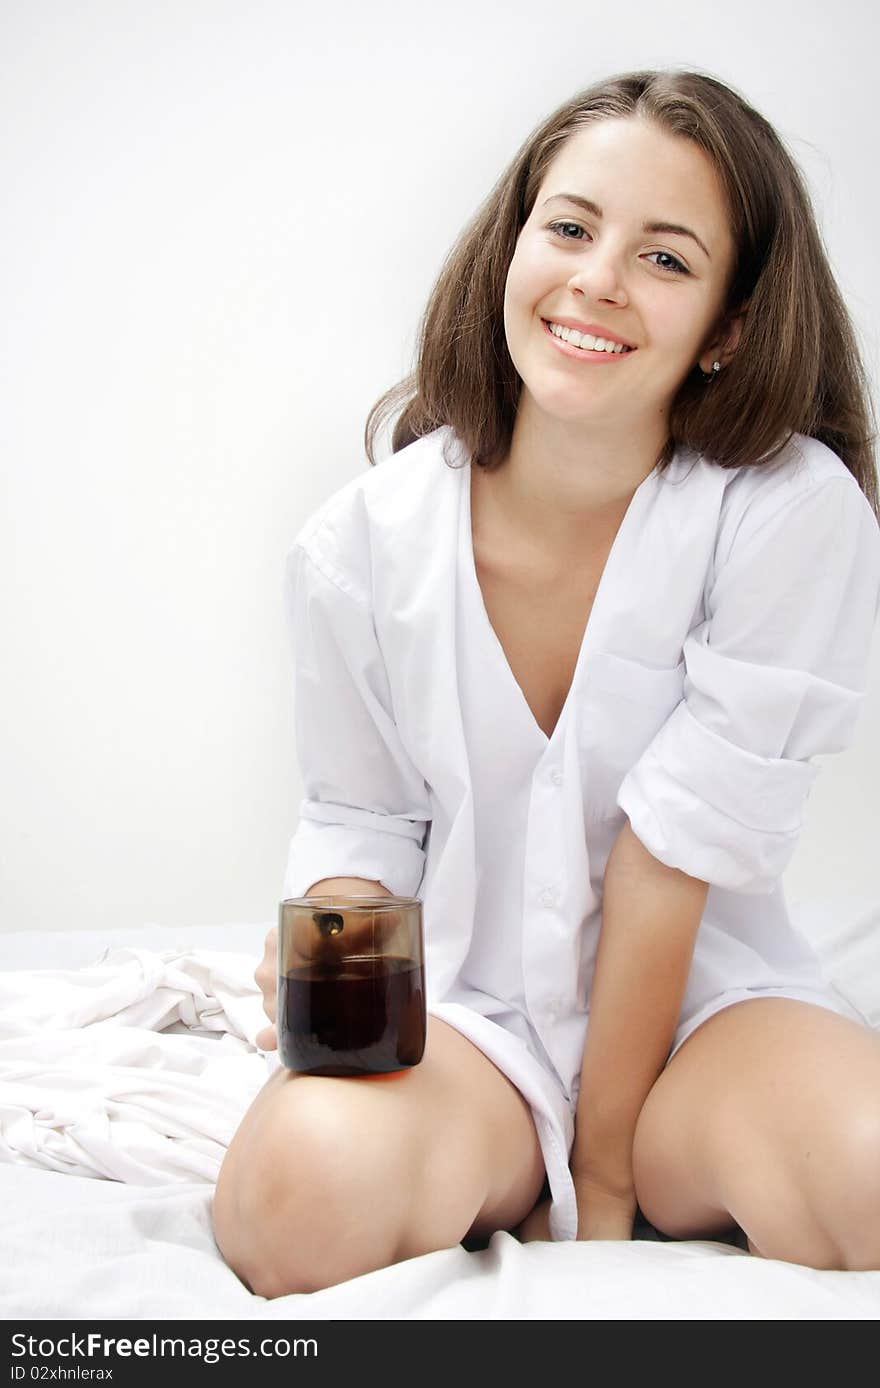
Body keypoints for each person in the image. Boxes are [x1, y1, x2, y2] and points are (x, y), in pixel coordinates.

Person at [211, 67, 880, 1297]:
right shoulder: (359, 544)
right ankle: (486, 1159)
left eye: (667, 259)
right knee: (287, 1201)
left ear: (730, 325)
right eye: (568, 227)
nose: (597, 279)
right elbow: (362, 818)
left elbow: (672, 855)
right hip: (470, 1022)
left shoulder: (788, 512)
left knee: (868, 1169)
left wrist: (607, 1180)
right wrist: (335, 945)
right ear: (511, 245)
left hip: (701, 1019)